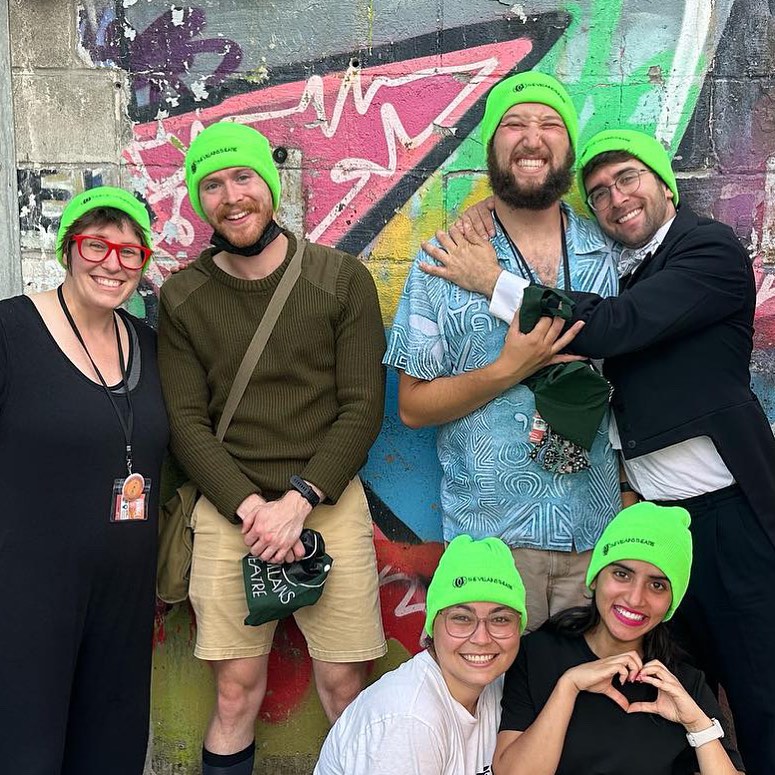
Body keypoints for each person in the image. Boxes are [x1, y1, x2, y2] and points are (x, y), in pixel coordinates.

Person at [447, 128, 775, 774]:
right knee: (678, 693)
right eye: (597, 193)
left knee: (761, 698)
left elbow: (613, 327)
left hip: (729, 523)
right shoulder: (627, 270)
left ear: (663, 183)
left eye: (627, 178)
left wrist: (495, 282)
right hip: (658, 532)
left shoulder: (704, 250)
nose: (614, 198)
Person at [157, 121, 387, 775]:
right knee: (235, 693)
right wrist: (252, 509)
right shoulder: (183, 298)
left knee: (347, 690)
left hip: (327, 500)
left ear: (270, 182)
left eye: (243, 176)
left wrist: (300, 499)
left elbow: (361, 408)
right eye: (212, 183)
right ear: (199, 198)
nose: (231, 196)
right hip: (230, 507)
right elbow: (185, 422)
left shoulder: (340, 280)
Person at [383, 71, 620, 632]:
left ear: (570, 148)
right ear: (491, 147)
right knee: (494, 713)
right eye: (513, 124)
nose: (531, 137)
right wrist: (505, 371)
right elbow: (413, 408)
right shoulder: (444, 259)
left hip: (597, 532)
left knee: (586, 710)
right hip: (492, 542)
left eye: (550, 123)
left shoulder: (609, 256)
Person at [0, 186, 169, 774]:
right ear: (68, 249)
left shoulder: (149, 344)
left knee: (111, 756)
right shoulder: (10, 332)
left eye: (130, 253)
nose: (112, 264)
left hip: (124, 597)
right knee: (27, 754)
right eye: (96, 245)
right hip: (26, 598)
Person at [494, 502, 744, 775]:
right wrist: (568, 687)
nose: (635, 598)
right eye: (622, 574)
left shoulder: (682, 682)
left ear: (672, 602)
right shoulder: (536, 654)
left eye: (657, 585)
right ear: (595, 577)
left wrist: (697, 724)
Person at [315, 534, 526, 775]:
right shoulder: (409, 719)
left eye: (500, 619)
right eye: (461, 618)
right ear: (432, 624)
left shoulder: (502, 689)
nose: (481, 638)